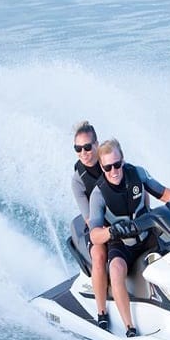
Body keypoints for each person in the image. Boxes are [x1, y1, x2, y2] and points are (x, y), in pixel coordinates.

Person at [88, 138, 170, 337]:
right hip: (122, 243)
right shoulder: (98, 194)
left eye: (117, 164)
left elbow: (165, 194)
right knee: (116, 269)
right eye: (108, 167)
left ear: (123, 160)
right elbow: (94, 235)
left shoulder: (137, 173)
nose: (114, 171)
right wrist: (112, 231)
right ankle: (130, 328)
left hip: (148, 232)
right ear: (102, 167)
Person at [71, 121, 110, 329]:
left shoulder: (110, 161)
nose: (84, 152)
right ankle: (101, 311)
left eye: (87, 147)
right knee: (99, 255)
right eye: (78, 149)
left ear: (96, 144)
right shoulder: (78, 181)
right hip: (97, 226)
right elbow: (90, 219)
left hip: (123, 218)